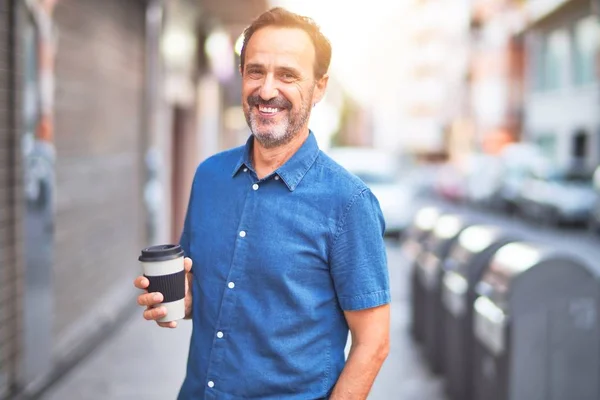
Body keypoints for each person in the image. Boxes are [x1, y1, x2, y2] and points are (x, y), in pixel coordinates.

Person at [134, 7, 390, 399]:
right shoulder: (209, 177)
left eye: (288, 75)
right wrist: (183, 301)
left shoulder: (348, 203)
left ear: (319, 86)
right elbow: (210, 293)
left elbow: (373, 343)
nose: (267, 89)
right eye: (256, 71)